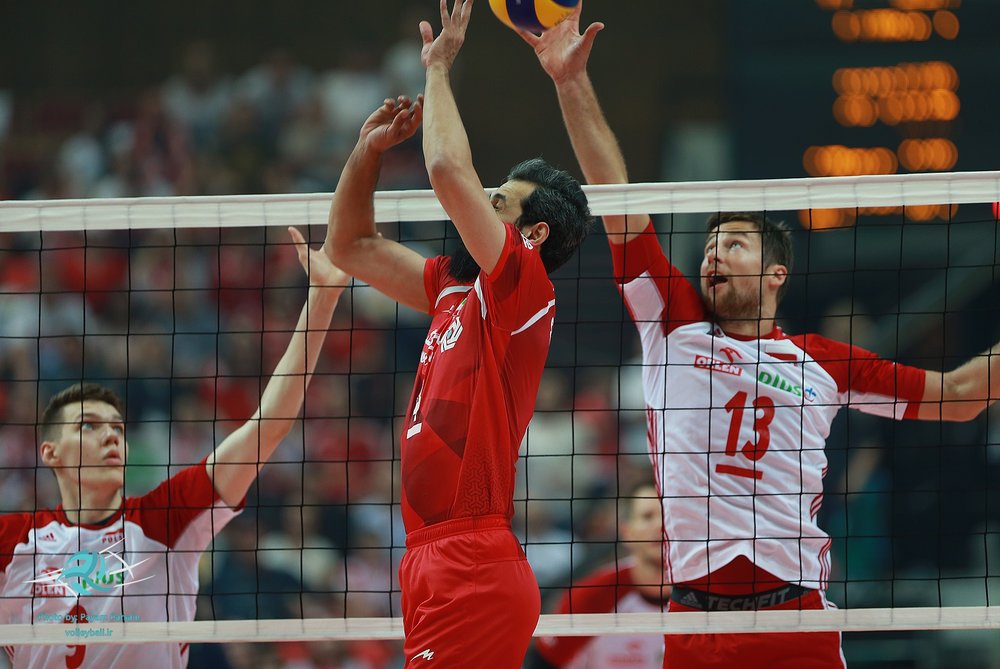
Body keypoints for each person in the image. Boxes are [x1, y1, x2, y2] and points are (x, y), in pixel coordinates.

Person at [518, 5, 1000, 668]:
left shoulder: (823, 361)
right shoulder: (672, 324)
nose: (713, 256)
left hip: (793, 620)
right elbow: (616, 196)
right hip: (692, 622)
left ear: (776, 272)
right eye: (709, 247)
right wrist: (568, 80)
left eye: (733, 244)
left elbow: (961, 394)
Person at [323, 2, 591, 665]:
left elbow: (446, 170)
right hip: (428, 557)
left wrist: (438, 65)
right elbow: (349, 246)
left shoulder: (522, 288)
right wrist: (367, 151)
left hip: (472, 558)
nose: (485, 199)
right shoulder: (452, 285)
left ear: (532, 235)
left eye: (500, 198)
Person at [0, 227, 348, 668]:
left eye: (117, 428)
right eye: (88, 426)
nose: (110, 436)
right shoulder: (13, 541)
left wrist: (321, 296)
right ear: (50, 452)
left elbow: (268, 427)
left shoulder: (165, 520)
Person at [526, 483, 670, 669]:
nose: (660, 525)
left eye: (668, 516)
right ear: (627, 531)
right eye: (647, 516)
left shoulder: (705, 592)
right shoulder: (594, 594)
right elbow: (541, 662)